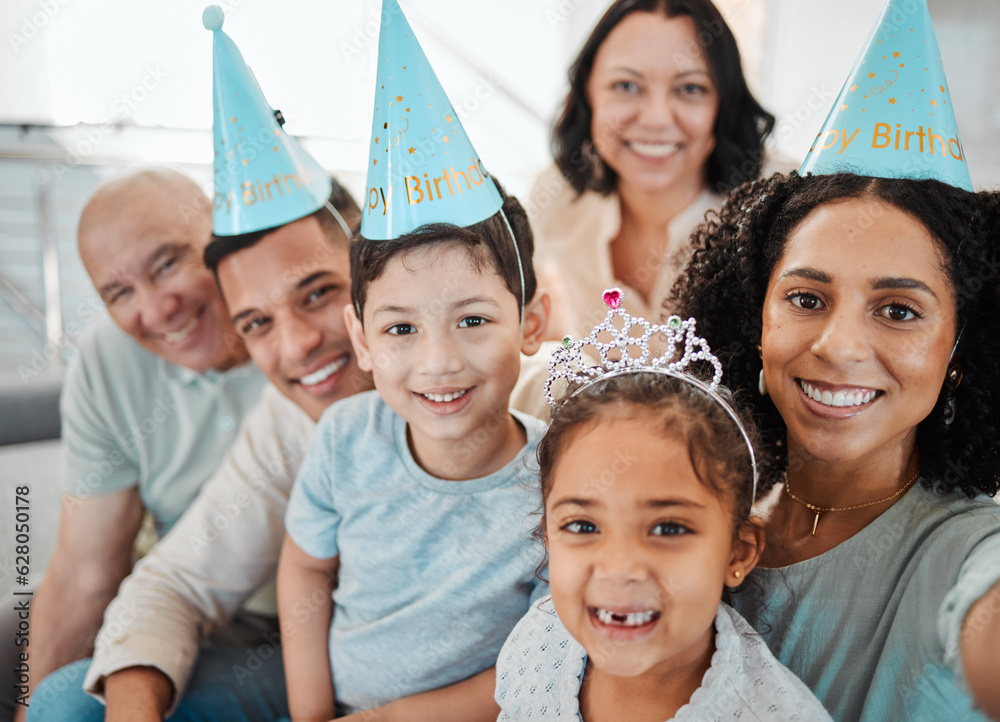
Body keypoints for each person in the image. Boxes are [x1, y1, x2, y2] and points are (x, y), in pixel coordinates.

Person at [26, 10, 372, 720]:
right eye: (261, 322)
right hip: (258, 637)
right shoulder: (289, 418)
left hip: (376, 663)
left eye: (318, 294)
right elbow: (133, 578)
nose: (299, 343)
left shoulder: (479, 396)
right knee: (70, 704)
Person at [673, 170, 1000, 720]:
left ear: (959, 353)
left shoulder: (972, 553)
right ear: (757, 321)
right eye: (806, 298)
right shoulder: (699, 516)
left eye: (898, 310)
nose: (839, 347)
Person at [494, 291, 831, 720]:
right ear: (548, 537)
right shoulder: (540, 640)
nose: (619, 567)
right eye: (582, 526)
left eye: (668, 529)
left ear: (738, 552)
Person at [19, 167, 267, 718]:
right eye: (119, 292)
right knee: (63, 705)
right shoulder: (107, 363)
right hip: (193, 630)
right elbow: (84, 573)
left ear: (220, 229)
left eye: (169, 263)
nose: (157, 310)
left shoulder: (303, 348)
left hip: (330, 628)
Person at [530, 0, 777, 342]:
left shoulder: (784, 203)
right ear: (588, 90)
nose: (657, 119)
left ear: (723, 103)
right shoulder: (558, 197)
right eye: (626, 86)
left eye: (690, 88)